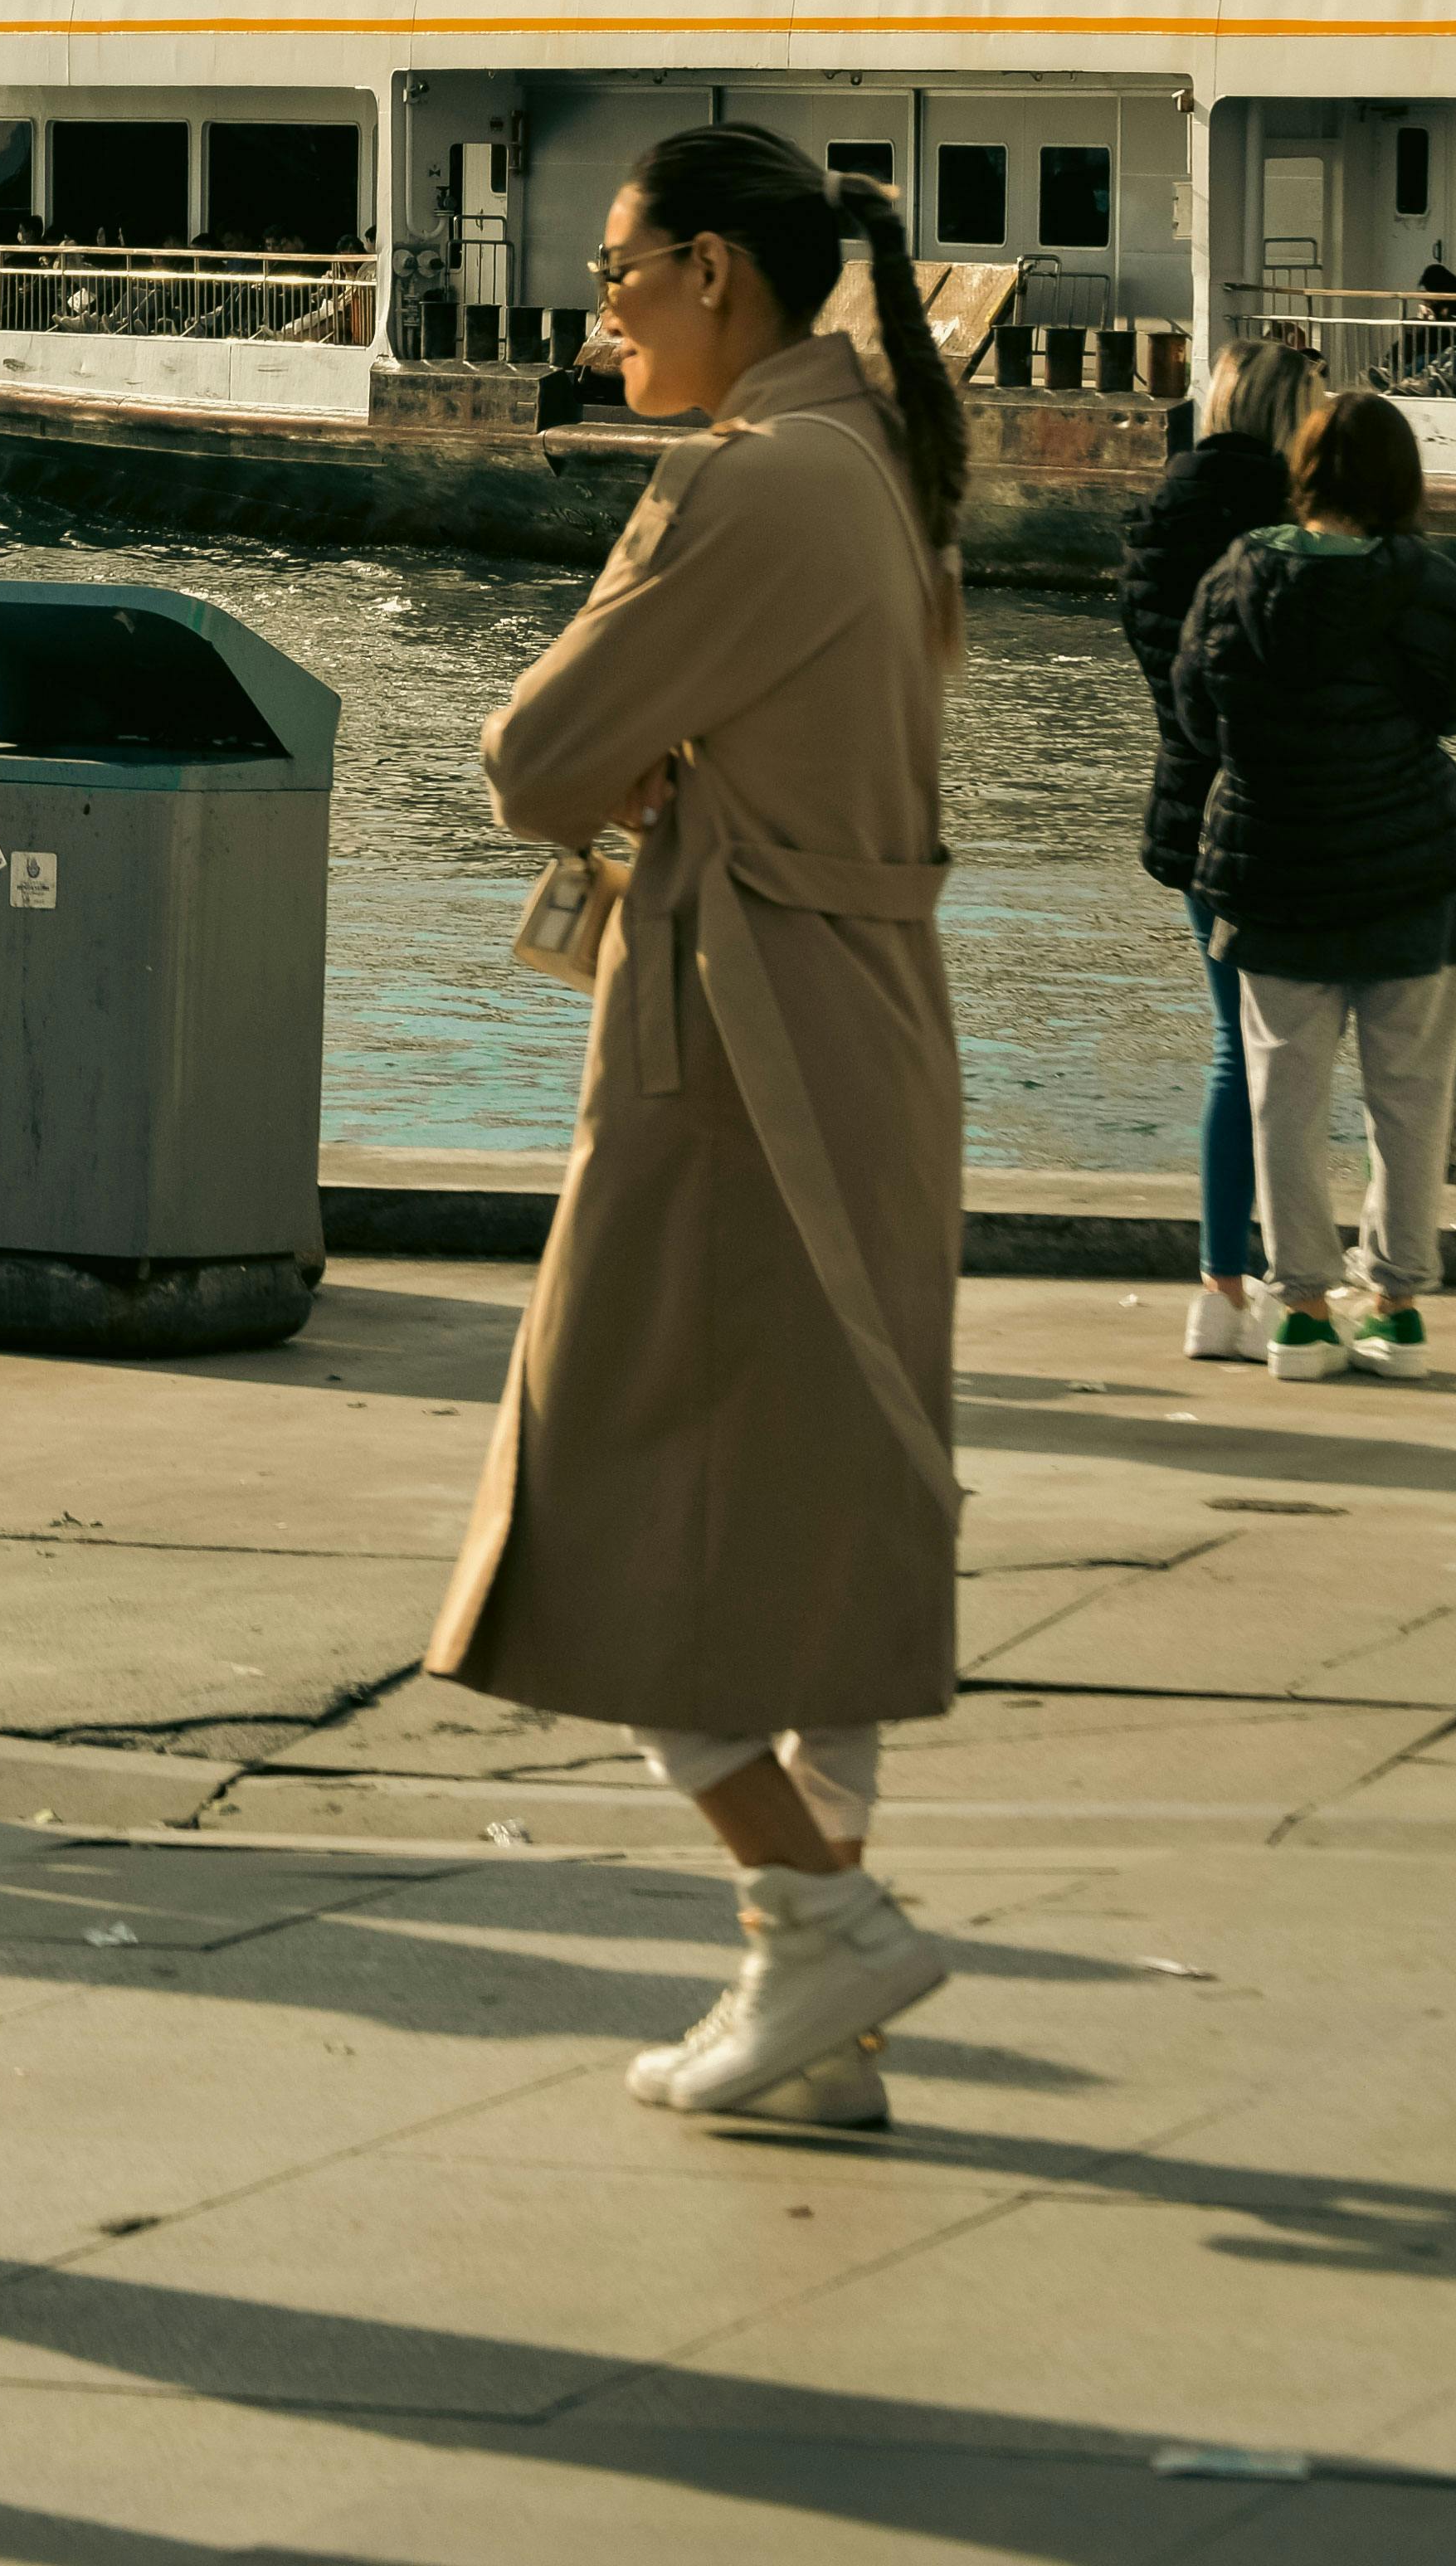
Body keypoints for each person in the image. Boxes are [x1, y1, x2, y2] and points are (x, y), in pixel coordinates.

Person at [428, 123, 972, 2133]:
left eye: (621, 269)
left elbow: (526, 759)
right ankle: (817, 2005)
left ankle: (814, 1922)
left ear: (718, 273)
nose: (602, 310)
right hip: (859, 1022)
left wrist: (641, 759)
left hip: (734, 1046)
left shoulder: (746, 481)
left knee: (614, 1493)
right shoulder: (873, 468)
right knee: (813, 1516)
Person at [1166, 387, 1456, 1386]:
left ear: (1303, 473)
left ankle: (1296, 1314)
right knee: (1410, 1097)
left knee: (1282, 1094)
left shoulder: (1239, 573)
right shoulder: (1425, 583)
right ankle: (1395, 1305)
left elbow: (1196, 713)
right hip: (1408, 870)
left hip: (1271, 868)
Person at [1117, 338, 1322, 1360]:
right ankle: (1301, 1288)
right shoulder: (1277, 527)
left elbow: (1173, 673)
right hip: (1268, 811)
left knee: (1233, 1052)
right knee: (1292, 1058)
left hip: (1184, 807)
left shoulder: (1164, 510)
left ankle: (1220, 1290)